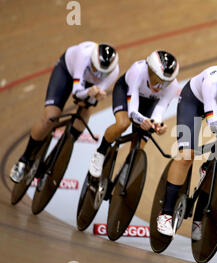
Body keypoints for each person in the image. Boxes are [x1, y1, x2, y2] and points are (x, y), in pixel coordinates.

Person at [156, 64, 217, 239]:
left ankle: (199, 213)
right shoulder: (212, 83)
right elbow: (213, 125)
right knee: (186, 155)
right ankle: (166, 214)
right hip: (193, 102)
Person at [10, 41, 119, 183]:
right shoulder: (83, 55)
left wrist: (96, 95)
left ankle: (64, 147)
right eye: (95, 68)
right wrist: (90, 91)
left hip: (89, 85)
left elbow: (92, 96)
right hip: (67, 72)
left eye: (103, 73)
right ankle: (24, 159)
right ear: (91, 60)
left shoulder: (114, 71)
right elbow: (77, 92)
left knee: (86, 111)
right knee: (50, 117)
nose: (98, 74)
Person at [88, 50, 179, 177]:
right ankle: (101, 152)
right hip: (126, 92)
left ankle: (126, 168)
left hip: (149, 102)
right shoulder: (138, 70)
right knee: (123, 124)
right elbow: (132, 111)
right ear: (149, 71)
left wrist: (157, 125)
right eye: (156, 80)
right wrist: (144, 121)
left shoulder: (173, 86)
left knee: (139, 147)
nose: (159, 86)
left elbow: (160, 109)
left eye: (165, 83)